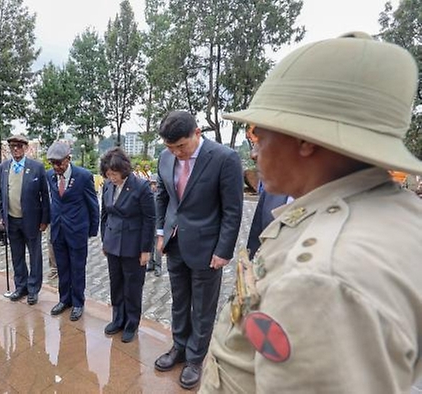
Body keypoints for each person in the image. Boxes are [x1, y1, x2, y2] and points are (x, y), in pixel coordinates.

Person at [200, 32, 422, 393]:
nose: (254, 152)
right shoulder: (398, 212)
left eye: (258, 133)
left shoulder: (318, 279)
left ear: (305, 140)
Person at [153, 110, 244, 390]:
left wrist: (223, 250)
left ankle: (195, 358)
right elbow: (163, 197)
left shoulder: (224, 159)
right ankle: (179, 346)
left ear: (197, 133)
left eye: (181, 145)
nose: (176, 152)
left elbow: (232, 210)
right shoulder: (166, 157)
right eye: (170, 147)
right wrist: (160, 232)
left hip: (207, 247)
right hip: (174, 242)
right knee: (179, 300)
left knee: (203, 306)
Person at [99, 147, 155, 342]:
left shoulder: (141, 187)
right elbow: (104, 215)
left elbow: (150, 219)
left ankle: (132, 323)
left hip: (133, 245)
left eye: (114, 173)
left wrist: (146, 249)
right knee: (116, 284)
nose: (111, 177)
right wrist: (104, 240)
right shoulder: (107, 186)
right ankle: (118, 319)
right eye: (107, 174)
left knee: (132, 287)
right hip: (113, 243)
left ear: (123, 169)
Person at [46, 141, 99, 321]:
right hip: (58, 231)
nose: (55, 167)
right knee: (62, 267)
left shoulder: (83, 176)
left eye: (58, 163)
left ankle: (78, 303)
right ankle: (64, 300)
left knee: (77, 268)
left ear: (68, 159)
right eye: (52, 163)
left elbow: (93, 204)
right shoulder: (50, 176)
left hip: (77, 231)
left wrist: (92, 230)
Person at [0, 134, 50, 306]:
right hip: (11, 220)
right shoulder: (3, 167)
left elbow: (45, 196)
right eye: (13, 146)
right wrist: (1, 216)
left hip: (32, 221)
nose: (16, 149)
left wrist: (44, 219)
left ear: (26, 148)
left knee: (35, 256)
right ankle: (21, 286)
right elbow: (0, 193)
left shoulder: (37, 167)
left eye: (20, 146)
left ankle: (33, 289)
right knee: (17, 255)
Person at [145, 176, 162, 277]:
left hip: (157, 224)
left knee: (157, 247)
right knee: (149, 245)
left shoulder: (160, 196)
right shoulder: (147, 195)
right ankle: (150, 264)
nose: (153, 186)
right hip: (149, 224)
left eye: (155, 184)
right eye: (151, 184)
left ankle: (158, 266)